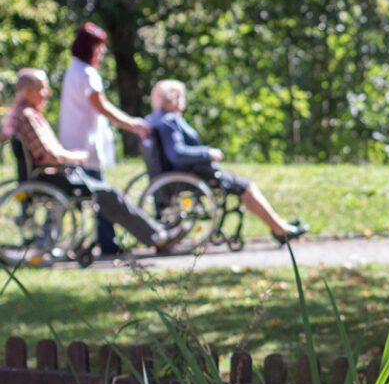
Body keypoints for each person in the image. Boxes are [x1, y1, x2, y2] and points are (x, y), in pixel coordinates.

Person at [5, 69, 186, 255]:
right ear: (28, 91)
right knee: (108, 194)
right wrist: (74, 157)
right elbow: (50, 155)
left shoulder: (17, 115)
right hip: (51, 177)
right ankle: (157, 237)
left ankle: (155, 235)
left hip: (49, 175)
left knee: (106, 192)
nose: (47, 93)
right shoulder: (28, 115)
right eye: (42, 89)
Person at [145, 80, 307, 244]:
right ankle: (279, 229)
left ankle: (279, 224)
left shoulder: (153, 119)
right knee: (246, 187)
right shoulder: (169, 121)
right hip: (192, 175)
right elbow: (177, 154)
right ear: (175, 99)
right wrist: (207, 153)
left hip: (176, 175)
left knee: (243, 185)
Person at [57, 22, 150, 258]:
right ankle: (107, 243)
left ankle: (104, 240)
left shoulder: (74, 70)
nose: (103, 51)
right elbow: (103, 107)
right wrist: (132, 124)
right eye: (99, 46)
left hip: (75, 143)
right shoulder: (87, 74)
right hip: (84, 147)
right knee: (103, 195)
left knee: (98, 194)